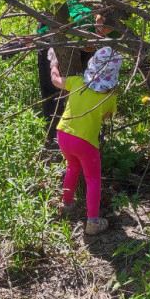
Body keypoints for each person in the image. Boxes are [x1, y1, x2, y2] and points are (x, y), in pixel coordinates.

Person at [49, 42, 120, 236]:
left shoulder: (77, 82)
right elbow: (105, 116)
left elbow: (55, 80)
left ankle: (67, 204)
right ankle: (92, 221)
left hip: (63, 133)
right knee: (93, 179)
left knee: (72, 167)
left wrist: (53, 64)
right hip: (85, 141)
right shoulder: (110, 96)